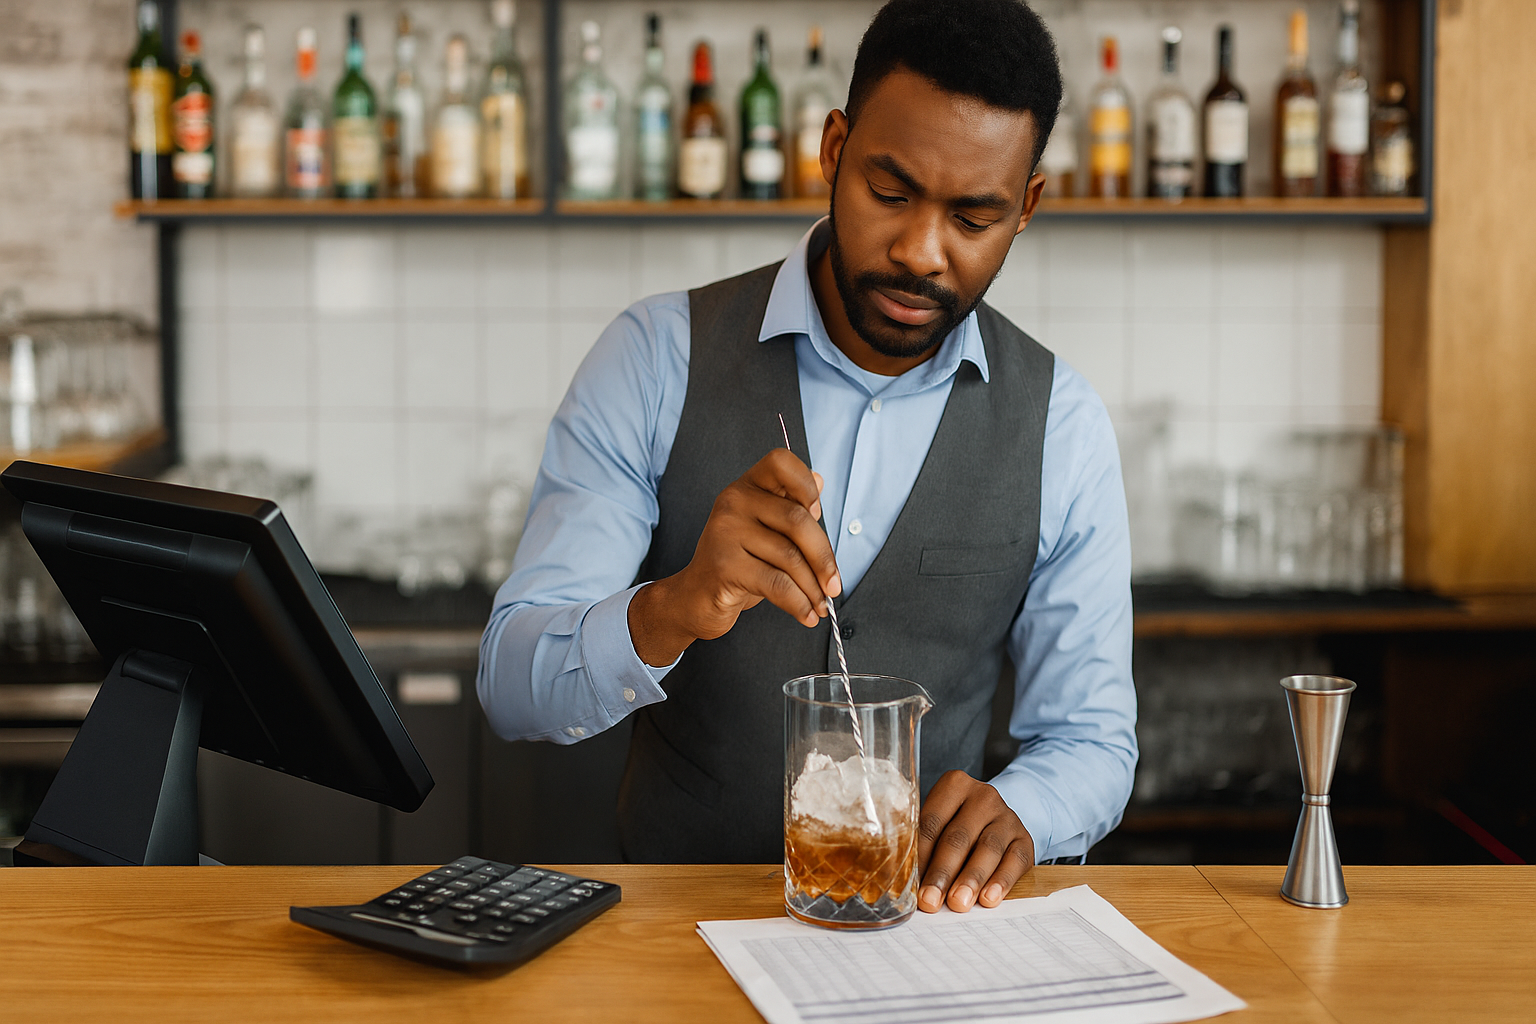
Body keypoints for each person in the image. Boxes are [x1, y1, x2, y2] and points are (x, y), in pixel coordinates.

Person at [478, 0, 1136, 914]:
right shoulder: (656, 355)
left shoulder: (1060, 421)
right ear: (833, 151)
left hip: (928, 953)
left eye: (973, 218)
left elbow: (1093, 739)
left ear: (1025, 208)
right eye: (891, 193)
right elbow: (513, 686)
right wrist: (675, 606)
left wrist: (1026, 807)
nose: (920, 252)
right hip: (675, 941)